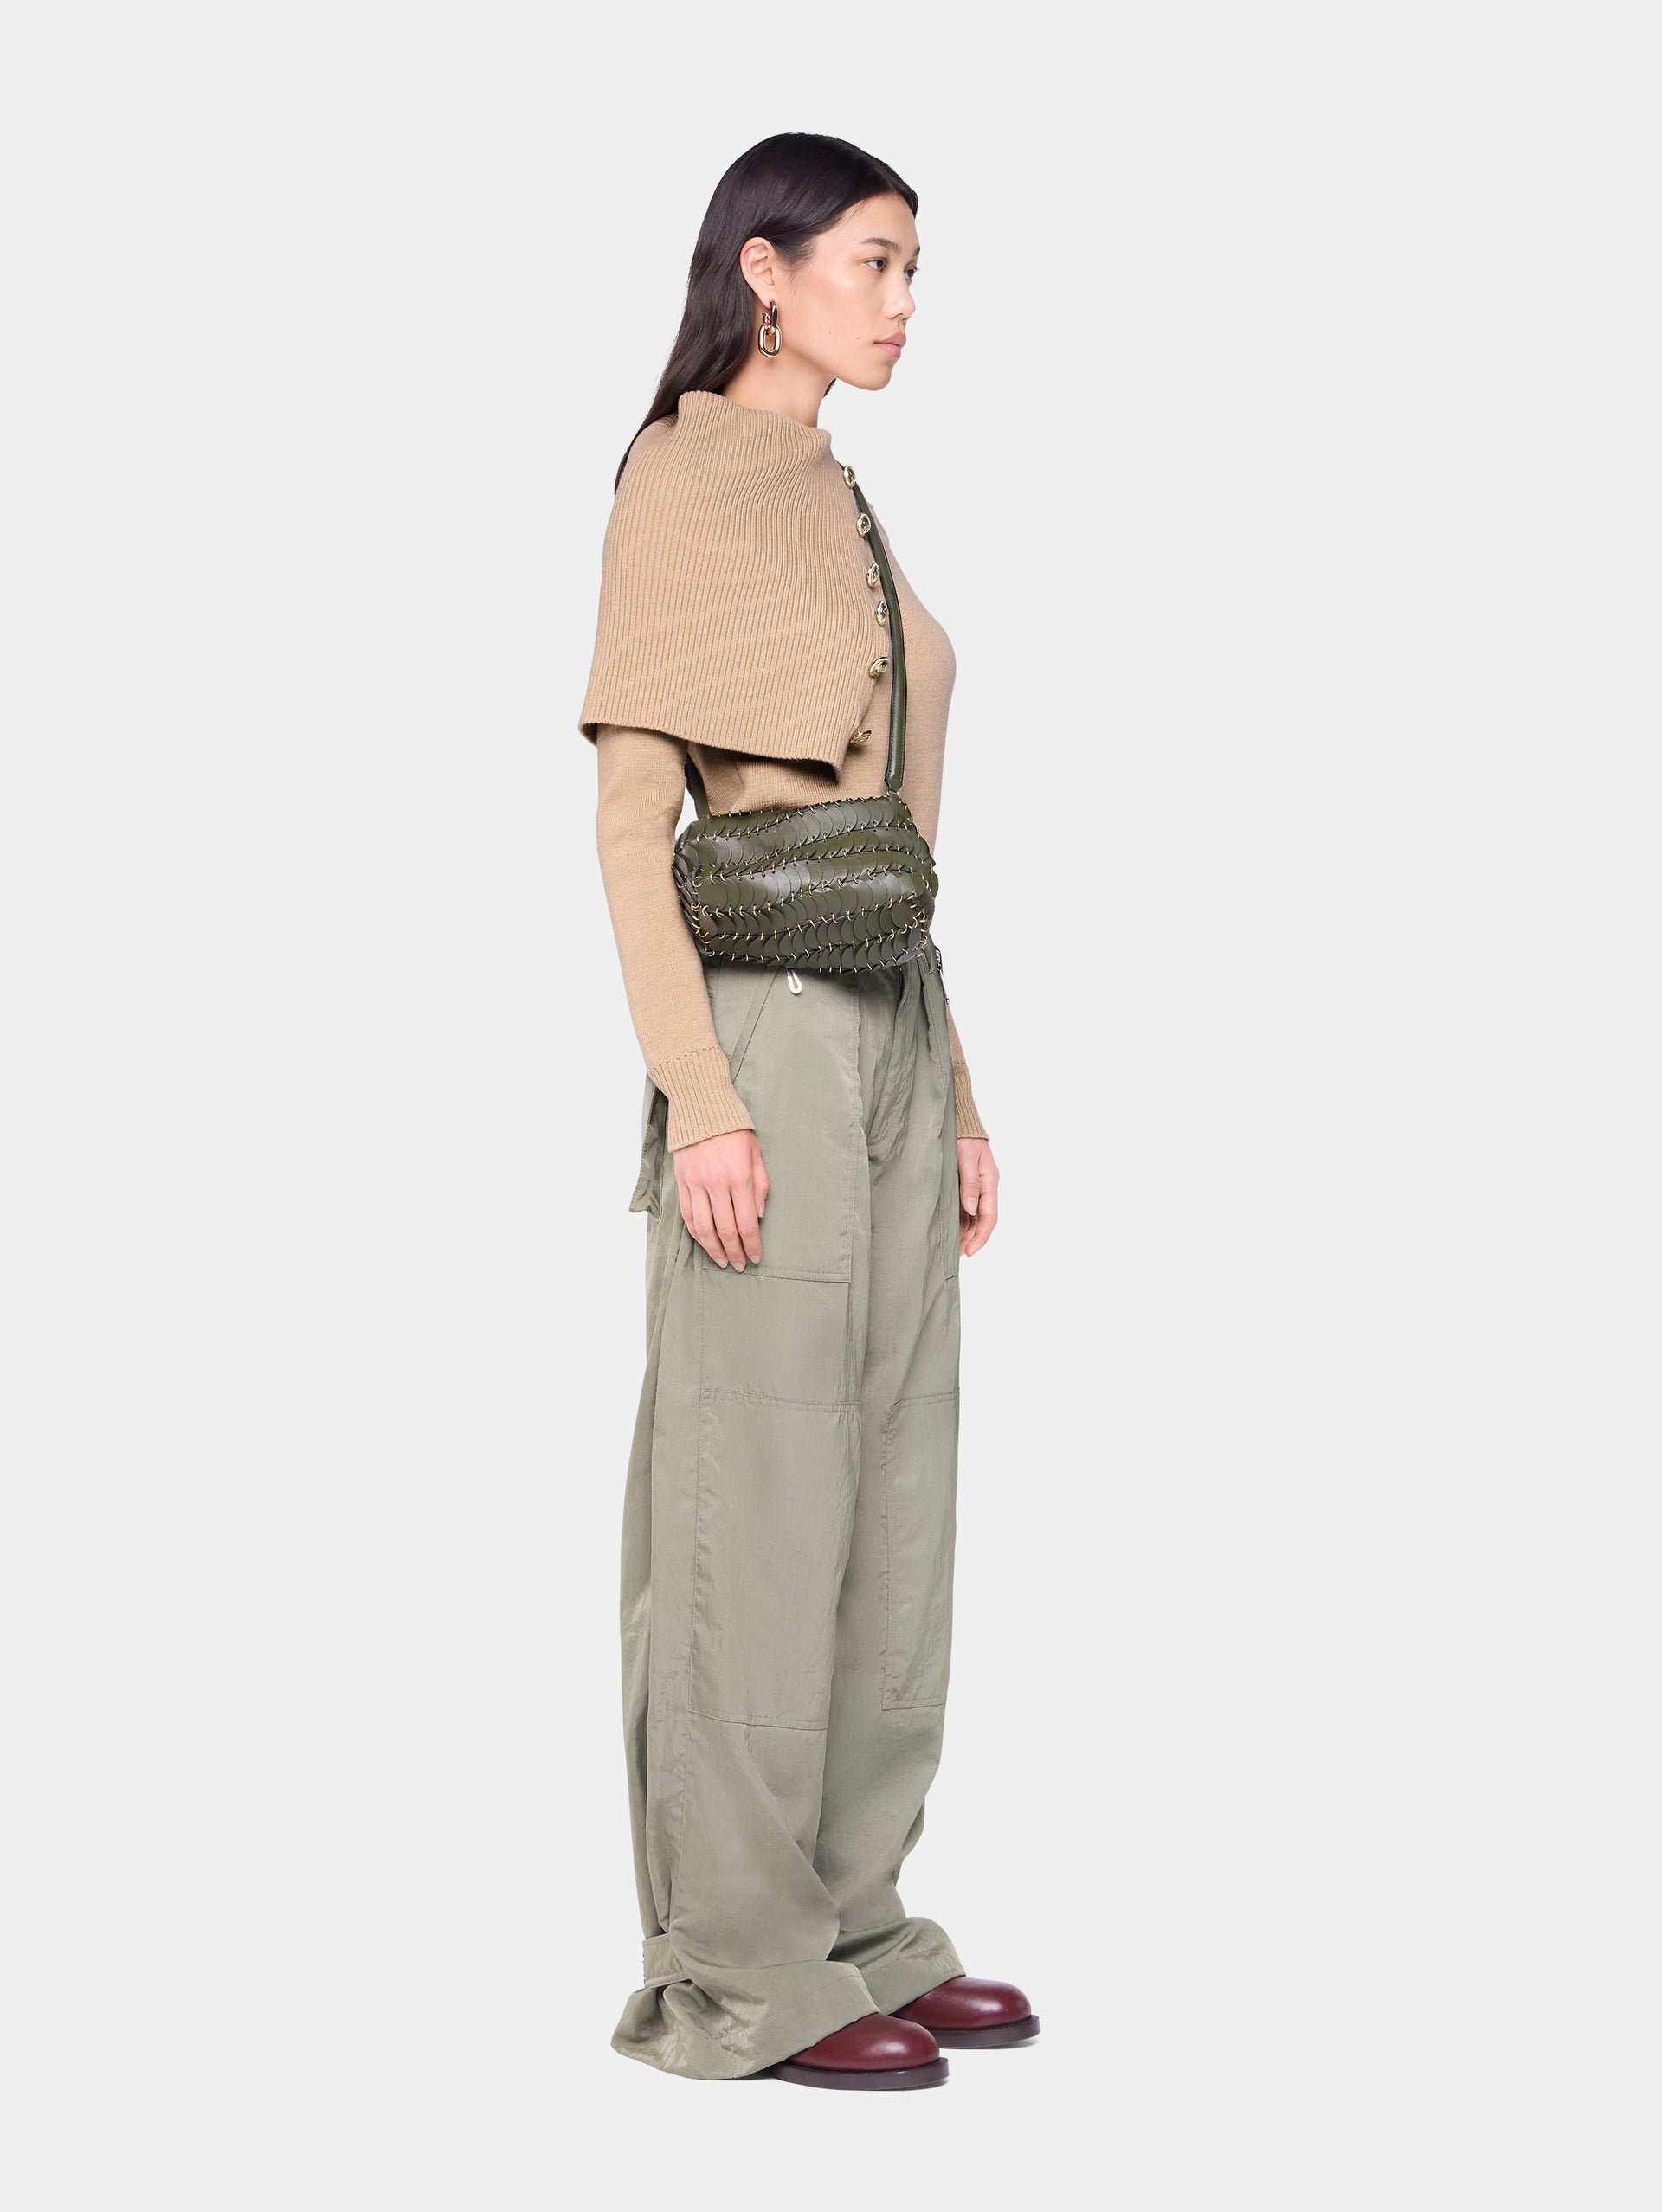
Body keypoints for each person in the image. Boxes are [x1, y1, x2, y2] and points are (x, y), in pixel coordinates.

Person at [577, 132, 1035, 2091]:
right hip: (759, 1034)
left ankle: (857, 1925)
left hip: (895, 1024)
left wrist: (966, 1091)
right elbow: (633, 826)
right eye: (875, 260)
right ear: (764, 272)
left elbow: (891, 848)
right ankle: (742, 1970)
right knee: (752, 1498)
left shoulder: (844, 500)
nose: (905, 301)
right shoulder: (684, 479)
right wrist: (699, 1101)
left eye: (917, 268)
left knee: (892, 1495)